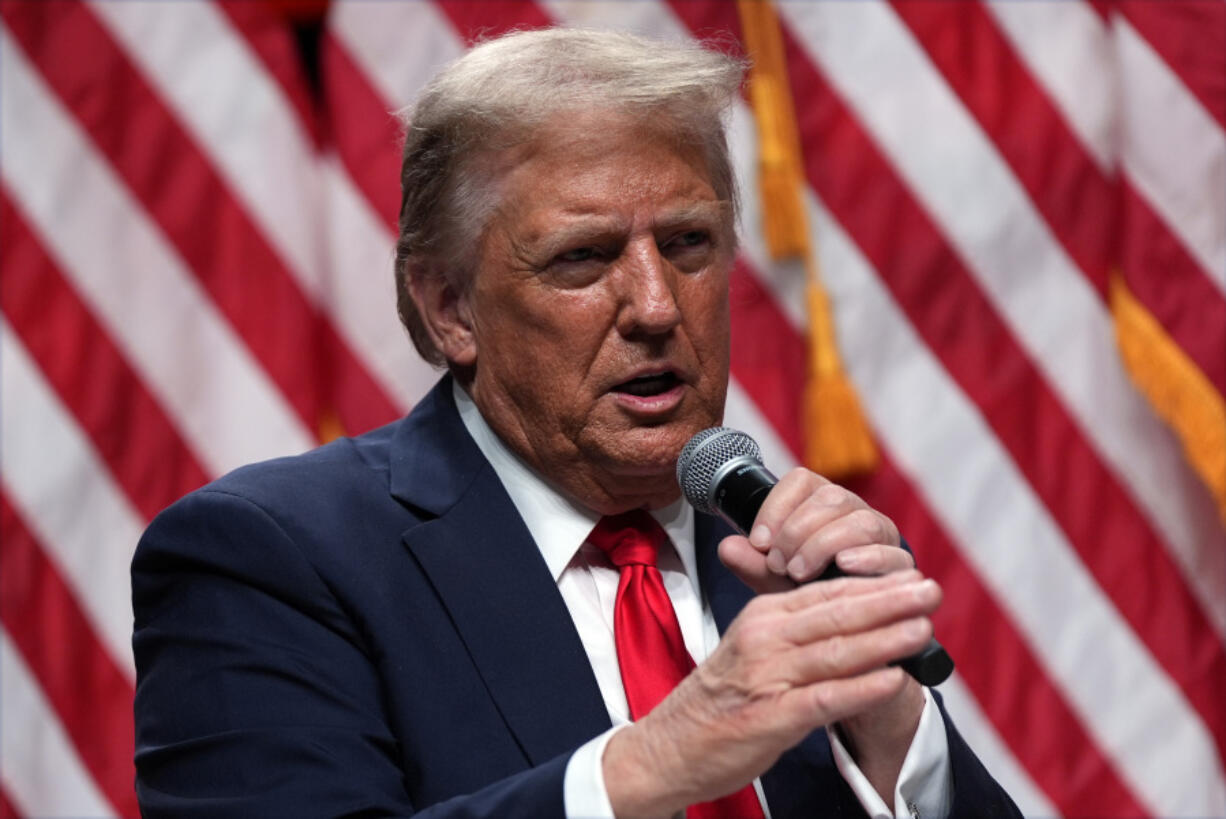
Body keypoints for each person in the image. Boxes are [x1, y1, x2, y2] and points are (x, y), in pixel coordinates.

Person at [132, 28, 1020, 819]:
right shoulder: (269, 560)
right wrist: (651, 765)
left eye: (688, 244)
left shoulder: (784, 558)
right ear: (451, 310)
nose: (656, 305)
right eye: (583, 257)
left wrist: (889, 731)